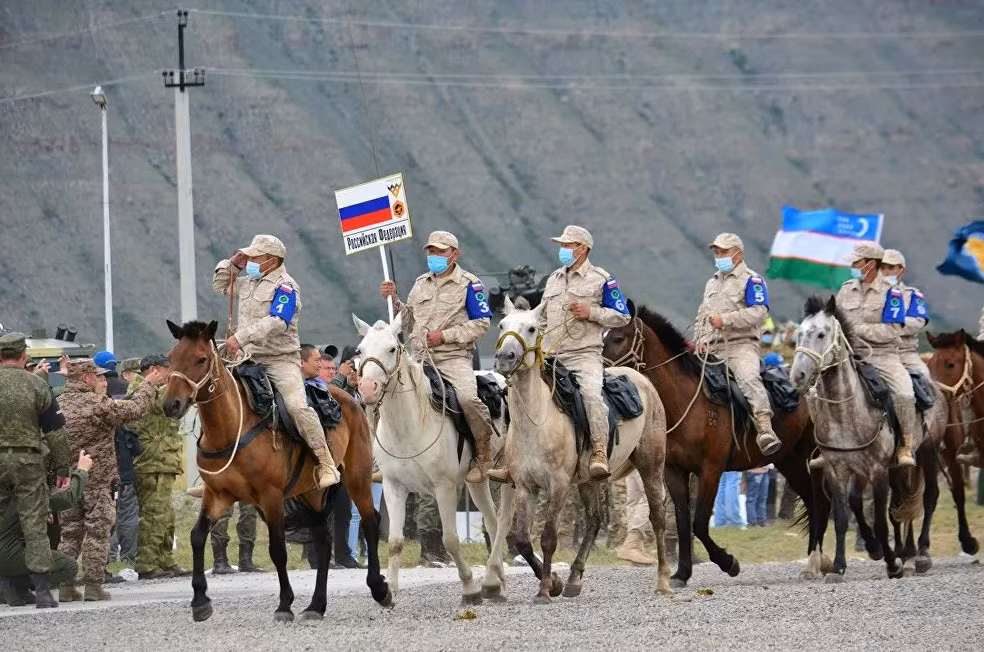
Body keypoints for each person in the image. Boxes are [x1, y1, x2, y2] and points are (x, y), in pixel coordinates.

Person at [489, 225, 631, 483]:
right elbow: (544, 320)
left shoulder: (602, 279)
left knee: (590, 395)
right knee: (517, 392)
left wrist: (592, 312)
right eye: (562, 246)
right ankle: (511, 460)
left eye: (568, 245)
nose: (563, 250)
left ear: (583, 248)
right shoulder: (554, 279)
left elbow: (623, 316)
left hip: (584, 355)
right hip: (550, 355)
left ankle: (598, 452)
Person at [212, 234, 339, 489]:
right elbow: (220, 286)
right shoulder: (247, 282)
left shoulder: (286, 287)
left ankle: (326, 462)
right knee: (217, 399)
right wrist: (232, 265)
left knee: (296, 406)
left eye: (256, 257)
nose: (251, 260)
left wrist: (241, 336)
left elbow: (278, 321)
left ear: (272, 260)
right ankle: (215, 469)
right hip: (245, 358)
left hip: (279, 359)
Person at [380, 230, 495, 483]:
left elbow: (482, 323)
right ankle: (384, 456)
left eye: (440, 251)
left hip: (453, 357)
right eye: (431, 251)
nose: (433, 256)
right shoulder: (421, 282)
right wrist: (394, 300)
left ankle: (484, 454)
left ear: (454, 254)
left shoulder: (470, 283)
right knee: (383, 390)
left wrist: (445, 336)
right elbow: (408, 319)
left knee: (467, 398)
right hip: (418, 357)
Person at [56, 359, 161, 601]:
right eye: (97, 376)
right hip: (97, 481)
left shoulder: (58, 404)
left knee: (70, 534)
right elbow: (133, 410)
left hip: (67, 483)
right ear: (85, 378)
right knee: (97, 533)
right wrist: (148, 384)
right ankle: (93, 585)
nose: (101, 380)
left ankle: (65, 585)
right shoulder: (95, 403)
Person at [812, 242, 915, 470]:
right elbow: (835, 322)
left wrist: (856, 328)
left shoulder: (893, 293)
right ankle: (823, 445)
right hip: (848, 354)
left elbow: (892, 330)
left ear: (870, 264)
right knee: (814, 390)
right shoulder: (846, 289)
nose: (852, 265)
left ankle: (905, 445)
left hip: (883, 355)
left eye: (856, 262)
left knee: (905, 394)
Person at [0, 332, 72, 609]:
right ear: (23, 356)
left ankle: (8, 590)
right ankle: (42, 592)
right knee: (34, 524)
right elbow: (55, 432)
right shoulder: (37, 386)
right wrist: (63, 466)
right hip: (28, 460)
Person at [693, 233, 781, 457]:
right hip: (710, 348)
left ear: (737, 254)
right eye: (716, 252)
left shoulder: (753, 280)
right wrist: (699, 340)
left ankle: (764, 427)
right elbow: (702, 315)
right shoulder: (712, 282)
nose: (718, 256)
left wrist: (726, 320)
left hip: (740, 345)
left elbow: (759, 313)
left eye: (722, 252)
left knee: (748, 377)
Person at [0, 450, 93, 606]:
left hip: (8, 546)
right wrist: (82, 470)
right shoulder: (27, 487)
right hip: (6, 553)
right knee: (69, 567)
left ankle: (11, 585)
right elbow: (66, 498)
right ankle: (13, 583)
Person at [300, 344, 360, 569]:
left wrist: (351, 387)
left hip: (340, 459)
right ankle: (317, 557)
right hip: (314, 459)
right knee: (319, 510)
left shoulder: (332, 387)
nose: (331, 372)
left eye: (334, 369)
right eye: (326, 368)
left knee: (342, 508)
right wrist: (341, 381)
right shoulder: (307, 388)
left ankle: (343, 554)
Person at [132, 354, 190, 580]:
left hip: (164, 460)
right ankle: (146, 564)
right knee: (154, 514)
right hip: (151, 461)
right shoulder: (141, 388)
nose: (170, 377)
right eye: (168, 372)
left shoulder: (159, 389)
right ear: (154, 370)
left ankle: (165, 560)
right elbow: (160, 406)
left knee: (166, 514)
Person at [615, 470, 657, 565]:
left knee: (635, 499)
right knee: (653, 495)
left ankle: (637, 548)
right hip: (647, 458)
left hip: (632, 461)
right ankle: (631, 545)